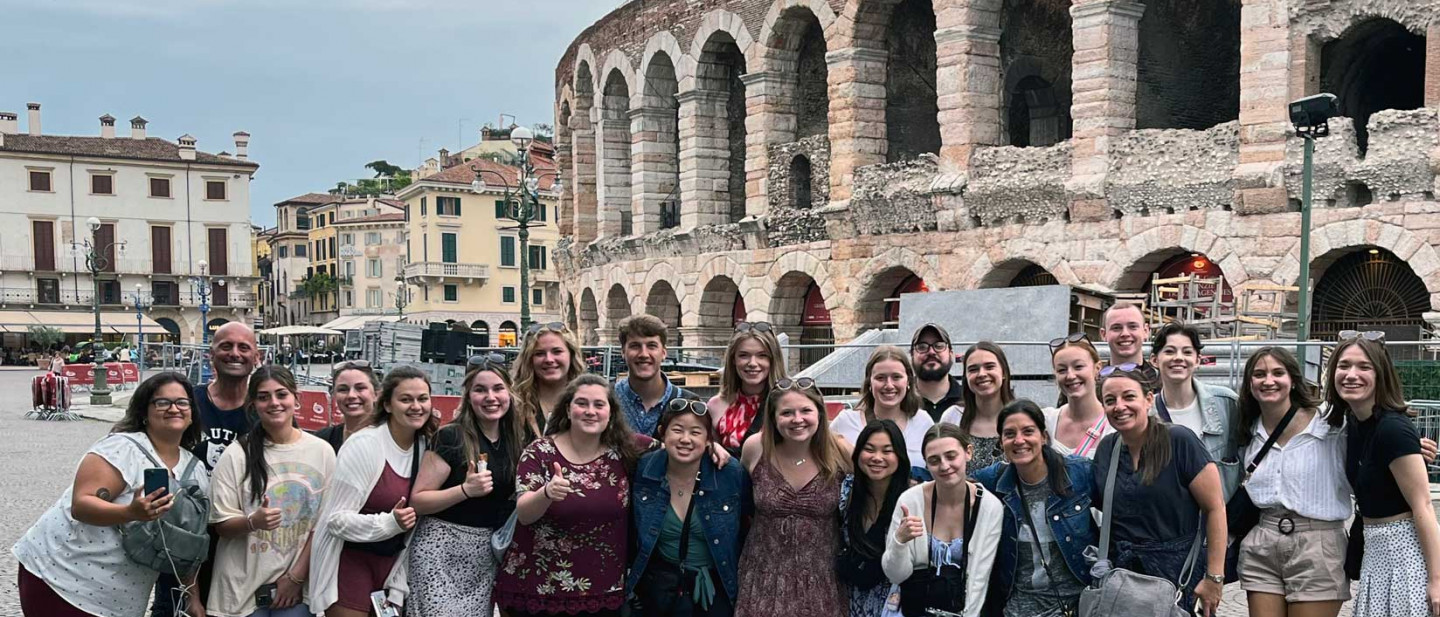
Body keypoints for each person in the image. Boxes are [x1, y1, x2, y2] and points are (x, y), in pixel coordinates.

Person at [13, 372, 208, 617]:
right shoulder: (121, 447)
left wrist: (192, 597)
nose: (173, 408)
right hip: (61, 576)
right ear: (144, 412)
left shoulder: (196, 471)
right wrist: (130, 512)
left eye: (182, 402)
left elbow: (191, 539)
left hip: (119, 598)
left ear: (192, 413)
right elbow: (81, 505)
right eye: (162, 402)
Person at [496, 374, 651, 616]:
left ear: (611, 413)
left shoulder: (625, 452)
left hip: (603, 593)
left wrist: (711, 446)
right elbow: (525, 514)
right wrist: (546, 493)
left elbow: (678, 445)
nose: (590, 411)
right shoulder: (540, 452)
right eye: (582, 403)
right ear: (568, 410)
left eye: (599, 404)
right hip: (538, 592)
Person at [1092, 363, 1227, 616]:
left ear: (1148, 399)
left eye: (1129, 396)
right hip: (1124, 580)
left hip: (1178, 577)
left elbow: (1215, 507)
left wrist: (1214, 578)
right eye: (1110, 400)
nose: (1119, 406)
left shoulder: (1180, 441)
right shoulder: (1107, 450)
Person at [1231, 346, 1351, 617]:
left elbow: (1372, 432)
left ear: (1293, 380)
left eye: (1277, 373)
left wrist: (1409, 447)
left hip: (1318, 543)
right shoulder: (1247, 429)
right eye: (1259, 374)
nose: (1268, 380)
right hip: (1264, 540)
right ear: (1250, 384)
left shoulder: (1328, 422)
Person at [309, 366, 437, 617]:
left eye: (423, 399)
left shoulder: (425, 446)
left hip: (391, 564)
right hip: (351, 560)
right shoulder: (364, 445)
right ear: (387, 404)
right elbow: (335, 520)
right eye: (405, 399)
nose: (416, 406)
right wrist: (389, 522)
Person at [208, 366, 336, 617]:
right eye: (264, 397)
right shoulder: (236, 453)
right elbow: (221, 524)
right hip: (240, 593)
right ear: (253, 404)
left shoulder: (322, 452)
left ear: (296, 399)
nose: (274, 403)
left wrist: (296, 578)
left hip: (295, 592)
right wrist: (252, 522)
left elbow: (322, 528)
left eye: (281, 394)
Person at [409, 361, 534, 616]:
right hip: (440, 551)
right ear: (468, 396)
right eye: (480, 390)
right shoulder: (451, 437)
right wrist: (464, 490)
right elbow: (418, 501)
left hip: (484, 555)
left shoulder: (516, 440)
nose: (490, 397)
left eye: (498, 388)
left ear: (509, 393)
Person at [1328, 333, 1440, 617]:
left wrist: (1437, 581)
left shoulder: (1392, 429)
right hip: (1374, 555)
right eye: (1344, 366)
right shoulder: (1352, 423)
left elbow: (1424, 506)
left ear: (1381, 374)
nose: (1351, 375)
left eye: (1364, 367)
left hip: (1404, 556)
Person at [735, 378, 849, 617]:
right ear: (774, 418)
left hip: (822, 581)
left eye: (806, 410)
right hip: (763, 581)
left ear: (819, 413)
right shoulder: (755, 448)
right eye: (787, 413)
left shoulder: (840, 451)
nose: (797, 419)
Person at [973, 400, 1096, 617]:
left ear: (1044, 436)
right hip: (1019, 607)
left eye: (1028, 431)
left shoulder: (1079, 473)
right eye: (1009, 434)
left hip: (1078, 605)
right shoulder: (993, 482)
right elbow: (955, 487)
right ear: (1001, 443)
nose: (1019, 440)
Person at [629, 398, 748, 617]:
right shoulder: (646, 469)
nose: (685, 439)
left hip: (717, 587)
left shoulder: (729, 473)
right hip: (661, 589)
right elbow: (617, 439)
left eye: (695, 432)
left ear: (708, 439)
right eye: (677, 430)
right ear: (662, 433)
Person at [883, 423, 1004, 617]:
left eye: (951, 456)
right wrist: (900, 541)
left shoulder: (989, 508)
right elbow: (896, 575)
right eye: (934, 460)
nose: (944, 466)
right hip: (913, 609)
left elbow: (978, 579)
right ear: (926, 463)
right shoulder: (910, 501)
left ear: (968, 452)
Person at [1150, 322, 1242, 496]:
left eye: (1187, 352)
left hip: (1221, 518)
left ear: (1198, 360)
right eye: (1169, 351)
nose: (1178, 358)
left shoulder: (1226, 404)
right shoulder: (1147, 414)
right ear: (1154, 360)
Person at [838, 420, 911, 617]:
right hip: (849, 601)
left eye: (887, 451)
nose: (877, 458)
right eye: (869, 449)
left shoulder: (912, 499)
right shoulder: (846, 491)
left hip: (895, 604)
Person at [831, 346, 935, 475]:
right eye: (880, 378)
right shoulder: (845, 421)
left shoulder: (923, 422)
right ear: (869, 382)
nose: (889, 385)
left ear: (908, 380)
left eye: (896, 377)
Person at [707, 322, 789, 456]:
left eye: (762, 355)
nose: (752, 363)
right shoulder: (715, 406)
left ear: (773, 360)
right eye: (743, 355)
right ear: (733, 359)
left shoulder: (789, 404)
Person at [940, 341, 1016, 471]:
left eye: (989, 367)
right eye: (973, 369)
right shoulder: (953, 417)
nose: (981, 374)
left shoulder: (1021, 416)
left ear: (1003, 373)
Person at [614, 314, 692, 438]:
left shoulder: (689, 403)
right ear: (623, 352)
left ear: (664, 353)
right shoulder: (607, 399)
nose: (644, 354)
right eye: (635, 346)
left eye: (651, 346)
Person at [511, 322, 587, 438]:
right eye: (540, 353)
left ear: (571, 355)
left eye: (557, 351)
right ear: (529, 359)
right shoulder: (514, 405)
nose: (549, 359)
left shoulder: (590, 401)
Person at [1044, 333, 1114, 458]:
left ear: (1097, 368)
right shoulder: (1046, 421)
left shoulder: (1113, 425)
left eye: (1078, 367)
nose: (1070, 376)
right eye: (1062, 370)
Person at [314, 362, 381, 453]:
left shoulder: (394, 439)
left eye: (360, 388)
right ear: (334, 395)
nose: (351, 395)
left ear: (376, 394)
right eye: (343, 389)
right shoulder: (323, 440)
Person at [911, 323, 965, 422]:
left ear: (951, 354)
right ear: (912, 355)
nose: (931, 352)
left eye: (939, 346)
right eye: (922, 347)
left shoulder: (967, 400)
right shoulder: (901, 401)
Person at [1102, 302, 1150, 367]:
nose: (1125, 333)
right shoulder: (1093, 377)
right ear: (1104, 334)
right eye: (1116, 328)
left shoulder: (1162, 376)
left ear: (1145, 331)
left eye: (1132, 327)